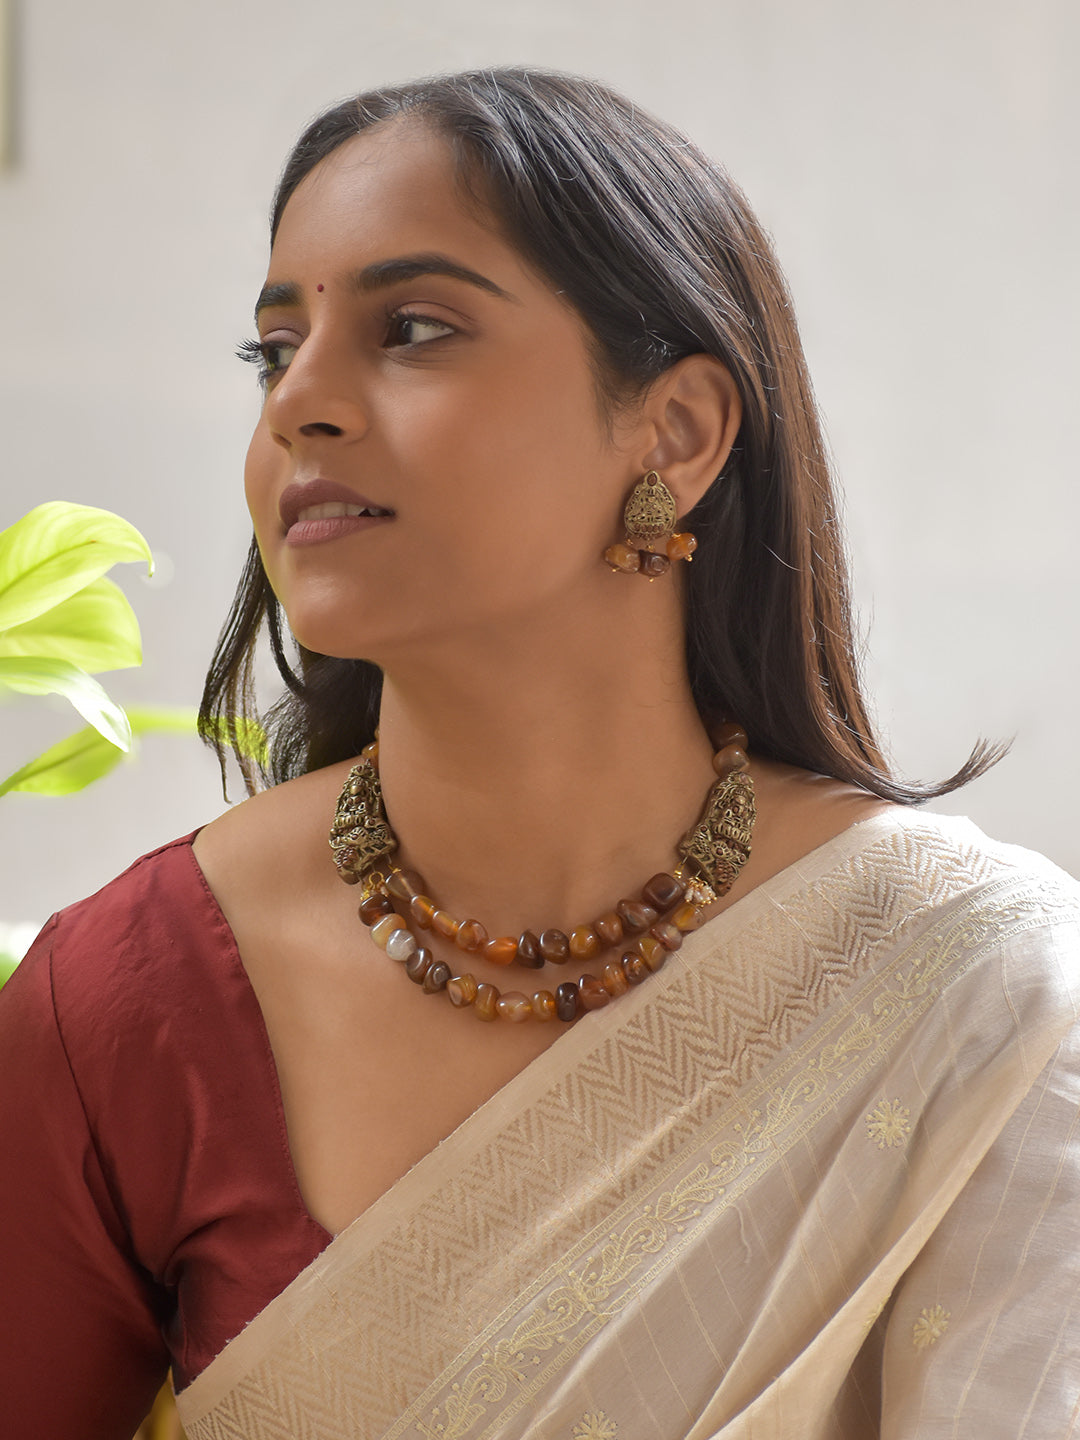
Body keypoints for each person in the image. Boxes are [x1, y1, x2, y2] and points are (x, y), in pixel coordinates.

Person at [1, 67, 1077, 1440]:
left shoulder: (964, 985)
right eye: (276, 350)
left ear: (676, 432)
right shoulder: (133, 999)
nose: (300, 405)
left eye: (414, 329)